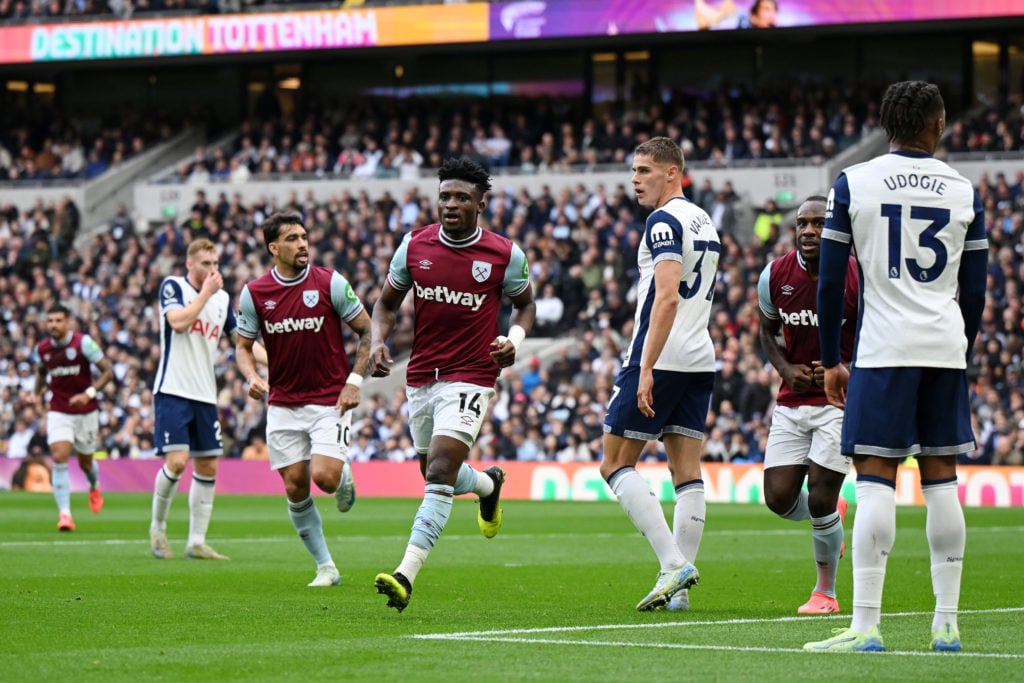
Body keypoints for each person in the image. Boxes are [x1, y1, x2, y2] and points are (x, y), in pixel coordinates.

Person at [805, 81, 987, 653]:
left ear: (887, 126)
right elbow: (976, 289)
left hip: (882, 352)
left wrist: (832, 359)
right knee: (941, 483)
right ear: (937, 125)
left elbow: (832, 281)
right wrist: (963, 345)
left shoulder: (853, 182)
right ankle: (947, 623)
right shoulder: (964, 190)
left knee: (876, 481)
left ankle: (865, 625)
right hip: (942, 349)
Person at [369, 157, 536, 612]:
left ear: (481, 203)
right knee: (434, 471)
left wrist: (513, 339)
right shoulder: (414, 246)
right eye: (445, 196)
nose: (451, 204)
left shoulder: (504, 254)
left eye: (462, 197)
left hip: (473, 375)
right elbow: (384, 305)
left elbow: (525, 307)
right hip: (421, 376)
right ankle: (487, 486)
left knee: (439, 472)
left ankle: (405, 574)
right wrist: (378, 342)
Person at [598, 136, 720, 612]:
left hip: (661, 356)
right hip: (698, 358)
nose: (635, 179)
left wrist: (645, 367)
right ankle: (680, 596)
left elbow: (667, 296)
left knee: (614, 463)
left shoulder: (663, 221)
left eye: (645, 171)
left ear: (673, 172)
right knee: (686, 472)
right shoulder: (702, 218)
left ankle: (674, 565)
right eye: (633, 171)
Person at [235, 211, 372, 587]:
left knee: (324, 478)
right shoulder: (255, 293)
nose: (303, 244)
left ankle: (342, 472)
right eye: (293, 238)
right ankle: (326, 566)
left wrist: (354, 381)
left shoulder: (330, 283)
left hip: (330, 400)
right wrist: (251, 376)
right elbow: (243, 347)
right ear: (273, 248)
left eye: (304, 237)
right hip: (282, 403)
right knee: (295, 485)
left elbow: (366, 329)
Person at [757, 195, 858, 615]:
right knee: (778, 498)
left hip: (839, 400)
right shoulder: (774, 274)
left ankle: (826, 594)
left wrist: (847, 368)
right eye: (803, 223)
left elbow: (878, 330)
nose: (809, 231)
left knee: (818, 498)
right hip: (792, 399)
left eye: (819, 223)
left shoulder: (858, 274)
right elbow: (767, 330)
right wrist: (785, 369)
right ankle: (832, 517)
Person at [150, 238, 266, 561]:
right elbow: (178, 323)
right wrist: (205, 293)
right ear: (190, 264)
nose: (213, 271)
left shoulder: (221, 301)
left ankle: (196, 541)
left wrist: (273, 360)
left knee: (208, 465)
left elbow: (240, 341)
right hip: (173, 389)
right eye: (205, 264)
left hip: (204, 394)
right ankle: (158, 529)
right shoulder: (173, 287)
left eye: (216, 264)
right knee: (176, 462)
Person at [32, 303, 115, 531]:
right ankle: (65, 515)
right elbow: (41, 373)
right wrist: (34, 393)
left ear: (68, 322)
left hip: (86, 412)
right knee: (59, 457)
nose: (54, 325)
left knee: (85, 462)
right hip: (59, 410)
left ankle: (94, 486)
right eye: (50, 321)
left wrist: (88, 394)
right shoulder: (42, 348)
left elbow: (108, 372)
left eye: (58, 320)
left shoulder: (83, 343)